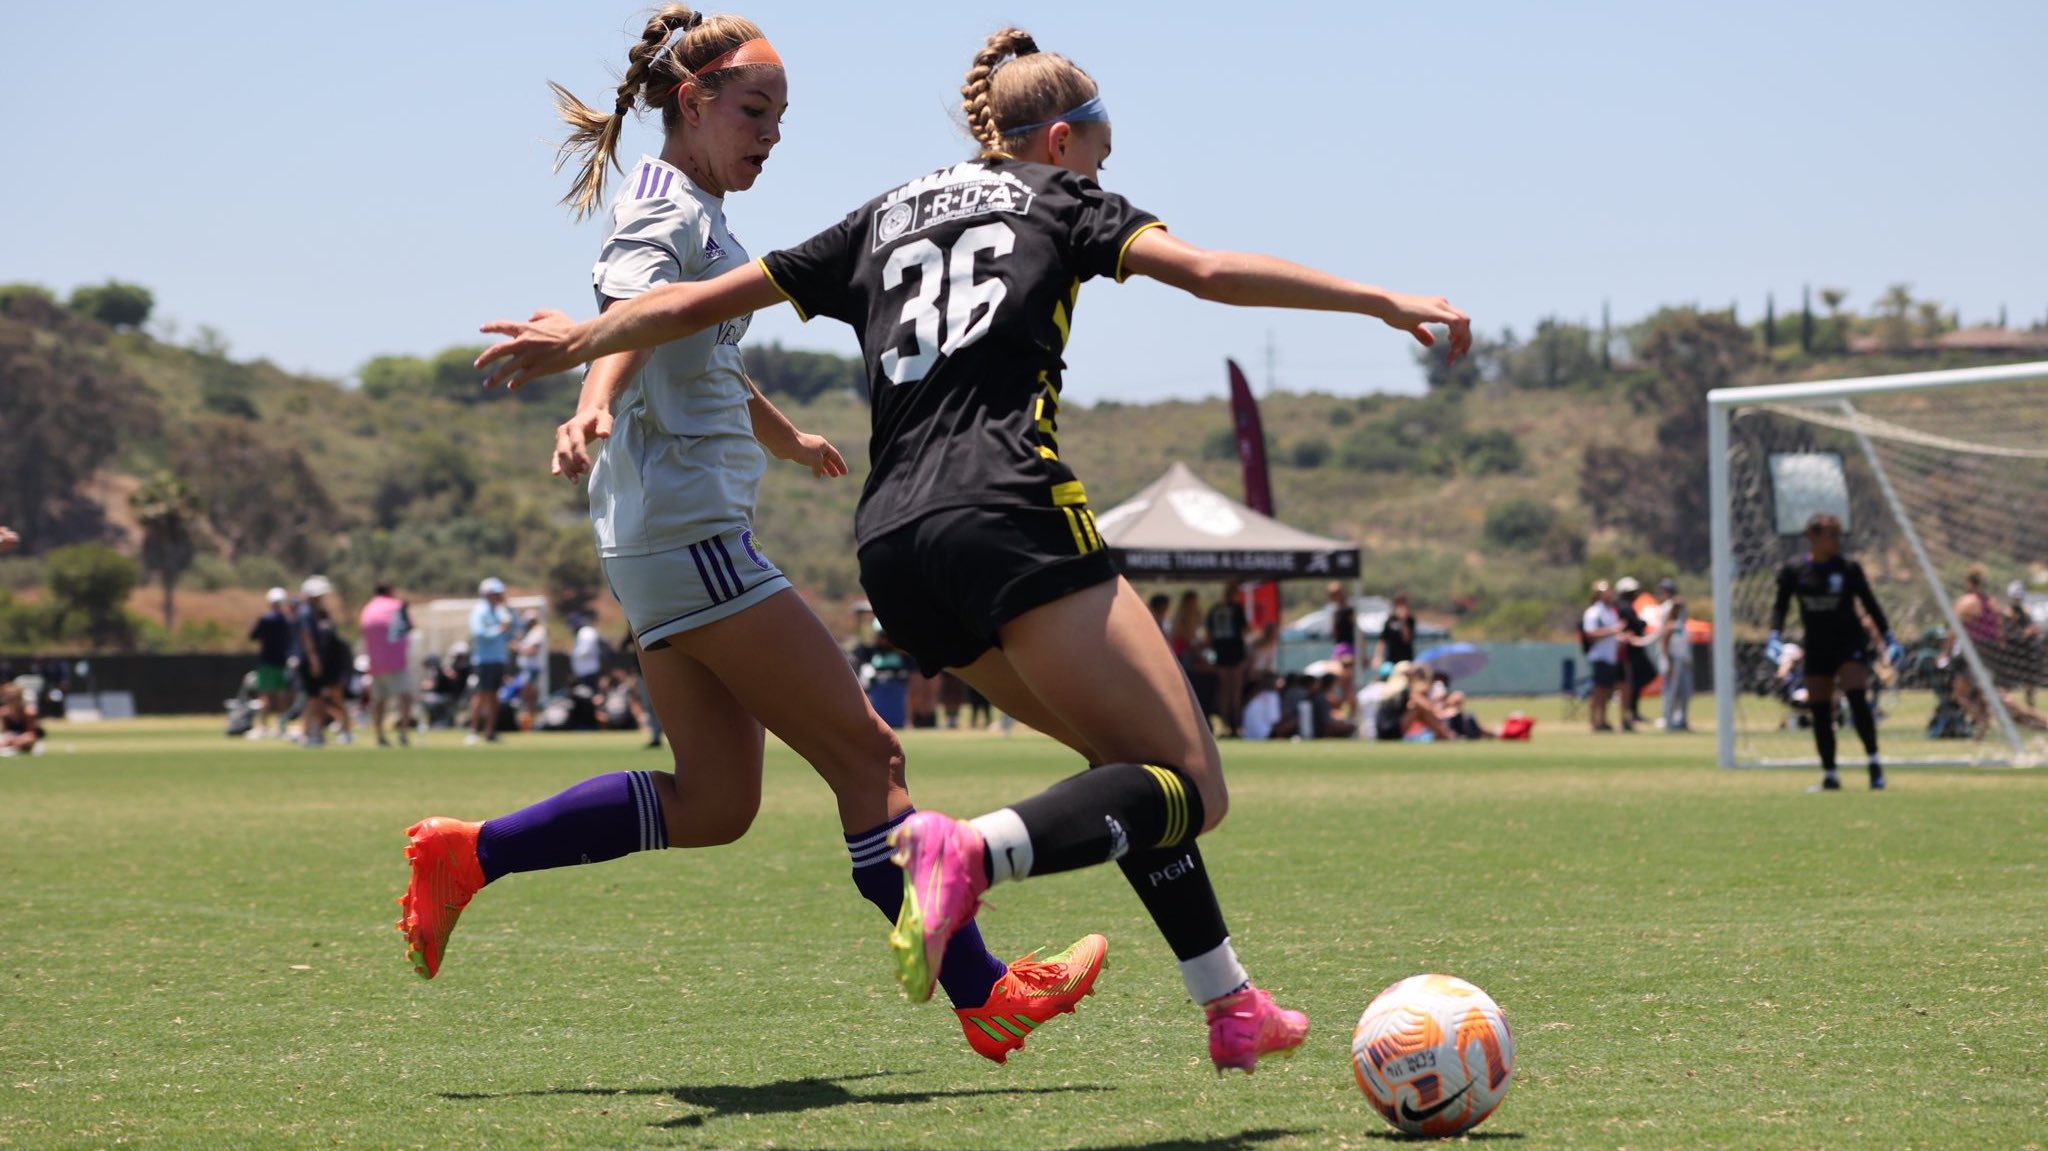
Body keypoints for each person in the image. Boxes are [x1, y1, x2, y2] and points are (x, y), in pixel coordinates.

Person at [475, 24, 1470, 1071]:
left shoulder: (883, 211)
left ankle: (1228, 999)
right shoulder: (1057, 195)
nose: (1103, 174)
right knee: (1193, 783)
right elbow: (1212, 268)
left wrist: (580, 342)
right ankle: (970, 849)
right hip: (1011, 512)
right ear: (1055, 139)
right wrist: (1380, 299)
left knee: (1125, 771)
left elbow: (688, 304)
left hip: (896, 551)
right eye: (1098, 152)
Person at [400, 7, 1102, 1068]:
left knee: (715, 802)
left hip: (653, 541)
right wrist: (592, 398)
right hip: (690, 535)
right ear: (691, 104)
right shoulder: (660, 210)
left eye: (782, 114)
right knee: (870, 755)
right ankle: (983, 991)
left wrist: (779, 434)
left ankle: (469, 854)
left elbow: (693, 336)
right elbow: (628, 313)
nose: (771, 133)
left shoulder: (695, 211)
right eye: (753, 109)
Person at [1768, 513, 1901, 792]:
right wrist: (1774, 635)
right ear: (1813, 537)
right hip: (1816, 645)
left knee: (1856, 697)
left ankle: (1874, 764)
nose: (1837, 540)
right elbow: (1780, 606)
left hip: (1848, 643)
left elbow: (1870, 602)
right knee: (1820, 710)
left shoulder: (1848, 568)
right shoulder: (1794, 570)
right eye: (1831, 535)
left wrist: (1888, 635)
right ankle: (1830, 774)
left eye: (1839, 535)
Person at [295, 575, 351, 746]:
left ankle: (313, 731)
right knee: (314, 698)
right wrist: (314, 659)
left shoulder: (312, 612)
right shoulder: (306, 612)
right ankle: (308, 733)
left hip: (314, 660)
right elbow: (307, 636)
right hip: (311, 661)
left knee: (316, 698)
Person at [360, 583, 416, 748]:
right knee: (405, 697)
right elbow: (410, 625)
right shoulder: (396, 606)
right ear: (390, 592)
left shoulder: (368, 609)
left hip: (375, 664)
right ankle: (403, 734)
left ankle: (379, 735)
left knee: (379, 700)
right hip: (396, 661)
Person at [467, 577, 515, 744]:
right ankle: (473, 731)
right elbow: (479, 633)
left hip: (498, 659)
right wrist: (499, 629)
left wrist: (507, 625)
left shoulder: (500, 611)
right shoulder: (480, 611)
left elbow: (511, 631)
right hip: (484, 660)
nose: (499, 596)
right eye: (495, 594)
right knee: (481, 694)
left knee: (494, 695)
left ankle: (490, 731)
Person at [248, 587, 296, 740]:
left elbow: (253, 635)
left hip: (267, 662)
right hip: (282, 662)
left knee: (265, 695)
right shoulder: (287, 620)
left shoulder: (265, 619)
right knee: (282, 694)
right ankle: (282, 726)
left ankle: (263, 727)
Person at [1581, 582, 1626, 733]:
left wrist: (1621, 636)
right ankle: (1594, 721)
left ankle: (1603, 720)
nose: (1608, 594)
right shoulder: (1593, 612)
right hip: (1599, 656)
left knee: (1607, 690)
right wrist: (1612, 631)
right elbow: (1590, 633)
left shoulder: (1611, 612)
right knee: (1598, 690)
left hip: (1610, 656)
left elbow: (1615, 632)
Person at [1205, 583, 1249, 737]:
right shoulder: (1237, 609)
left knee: (1224, 691)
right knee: (1235, 691)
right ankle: (1235, 724)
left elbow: (1209, 635)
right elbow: (1245, 630)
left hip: (1221, 653)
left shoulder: (1215, 610)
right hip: (1235, 653)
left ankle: (1225, 725)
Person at [1614, 576, 1658, 731]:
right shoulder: (1625, 607)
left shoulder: (1627, 606)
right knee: (1634, 680)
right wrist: (1642, 624)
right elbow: (1637, 624)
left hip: (1634, 648)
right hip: (1631, 650)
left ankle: (1632, 711)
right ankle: (1630, 712)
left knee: (1638, 680)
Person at [1653, 578, 1693, 733]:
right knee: (1670, 690)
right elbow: (1664, 640)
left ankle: (1681, 719)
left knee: (1685, 690)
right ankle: (1667, 719)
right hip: (1672, 658)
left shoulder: (1681, 621)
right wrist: (1668, 660)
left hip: (1682, 657)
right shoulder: (1666, 613)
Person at [1327, 583, 1359, 718]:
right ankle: (1344, 711)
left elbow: (1357, 631)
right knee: (1336, 682)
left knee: (1347, 685)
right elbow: (1334, 633)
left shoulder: (1349, 611)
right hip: (1339, 649)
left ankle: (1351, 713)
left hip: (1348, 650)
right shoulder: (1336, 612)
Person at [515, 608, 549, 726]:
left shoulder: (538, 631)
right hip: (528, 667)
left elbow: (533, 650)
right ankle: (529, 718)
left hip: (532, 667)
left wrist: (518, 647)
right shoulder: (530, 632)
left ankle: (531, 719)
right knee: (527, 694)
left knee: (529, 694)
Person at [1374, 591, 1416, 672]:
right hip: (1391, 660)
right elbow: (1382, 640)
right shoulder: (1390, 620)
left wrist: (1403, 621)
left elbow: (1407, 639)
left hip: (1406, 660)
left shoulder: (1410, 621)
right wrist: (1378, 657)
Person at [0, 683, 42, 757]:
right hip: (11, 738)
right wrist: (10, 738)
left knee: (29, 739)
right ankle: (14, 748)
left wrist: (18, 739)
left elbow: (31, 732)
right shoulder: (4, 713)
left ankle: (13, 749)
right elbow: (5, 732)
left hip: (25, 736)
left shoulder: (28, 712)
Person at [569, 611, 605, 691]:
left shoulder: (586, 632)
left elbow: (585, 650)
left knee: (590, 694)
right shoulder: (583, 633)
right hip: (584, 671)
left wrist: (573, 653)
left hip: (589, 671)